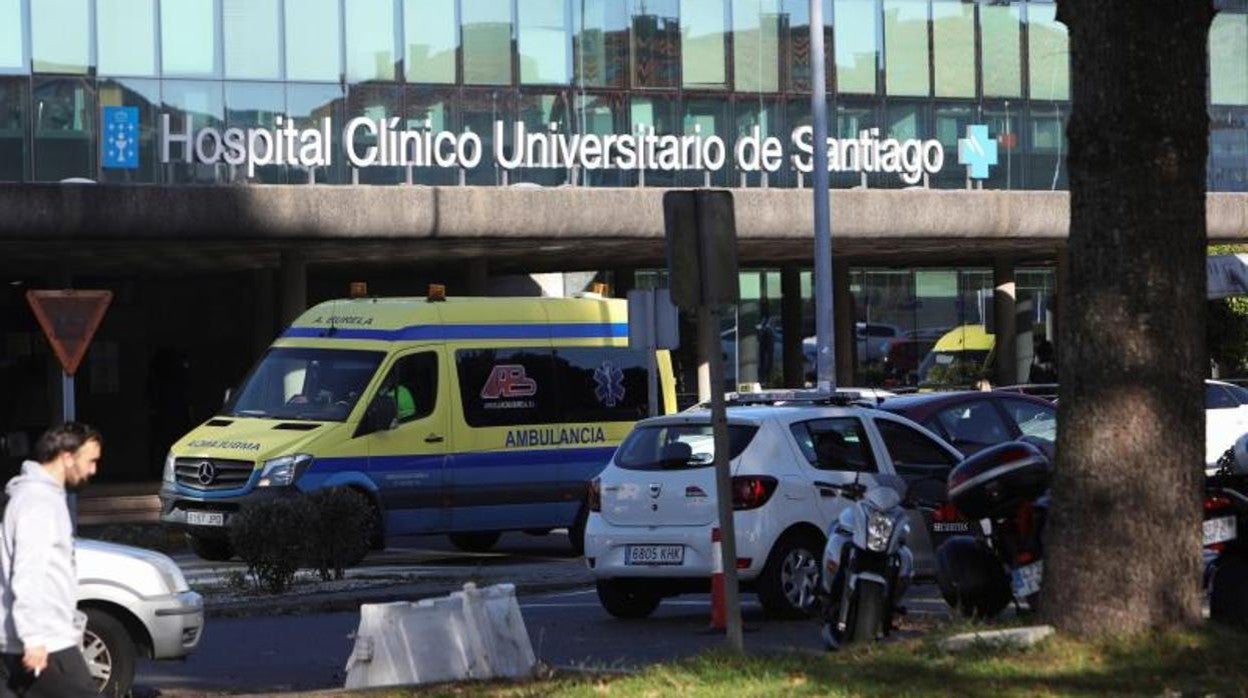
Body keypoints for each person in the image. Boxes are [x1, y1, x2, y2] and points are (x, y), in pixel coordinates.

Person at [0, 423, 101, 697]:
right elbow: (28, 573)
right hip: (44, 639)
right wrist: (33, 639)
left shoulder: (43, 497)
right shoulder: (37, 502)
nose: (93, 470)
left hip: (42, 636)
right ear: (67, 457)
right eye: (90, 461)